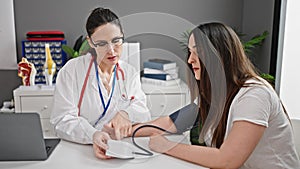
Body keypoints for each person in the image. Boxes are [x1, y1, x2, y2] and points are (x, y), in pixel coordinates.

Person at [102, 22, 300, 168]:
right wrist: (125, 131)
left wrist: (166, 146)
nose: (190, 60)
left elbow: (227, 159)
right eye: (189, 52)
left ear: (218, 55)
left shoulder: (254, 94)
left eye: (197, 52)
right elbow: (171, 123)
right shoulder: (215, 95)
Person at [50, 7, 151, 159]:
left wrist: (126, 113)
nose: (111, 50)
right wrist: (93, 135)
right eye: (102, 43)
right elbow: (61, 120)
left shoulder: (129, 73)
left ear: (122, 36)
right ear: (90, 42)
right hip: (79, 151)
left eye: (116, 41)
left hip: (120, 149)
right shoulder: (72, 71)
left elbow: (143, 112)